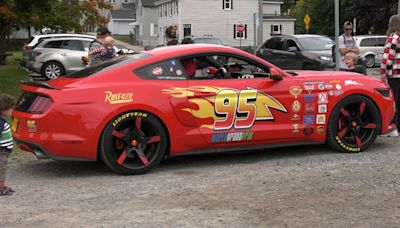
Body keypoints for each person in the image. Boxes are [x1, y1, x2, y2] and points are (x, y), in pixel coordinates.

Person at [381, 15, 400, 137]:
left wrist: (383, 72)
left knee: (393, 101)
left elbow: (388, 57)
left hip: (394, 74)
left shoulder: (393, 38)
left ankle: (393, 128)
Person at [0, 93, 16, 196]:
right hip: (1, 152)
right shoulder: (0, 123)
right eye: (10, 109)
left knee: (3, 169)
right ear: (3, 110)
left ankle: (2, 186)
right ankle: (0, 188)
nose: (12, 111)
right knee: (1, 169)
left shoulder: (2, 121)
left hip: (4, 152)